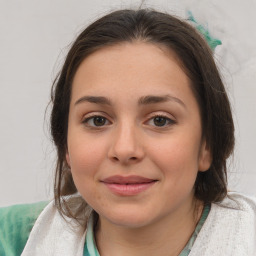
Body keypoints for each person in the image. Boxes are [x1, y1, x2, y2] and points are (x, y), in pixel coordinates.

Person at [1, 8, 256, 256]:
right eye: (98, 120)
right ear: (65, 143)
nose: (124, 149)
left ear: (207, 145)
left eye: (159, 120)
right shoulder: (12, 240)